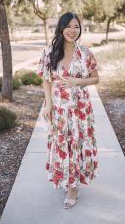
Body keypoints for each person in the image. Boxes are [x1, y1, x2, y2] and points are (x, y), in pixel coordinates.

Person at [36, 12, 99, 209]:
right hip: (60, 109)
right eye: (69, 26)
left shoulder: (86, 53)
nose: (73, 30)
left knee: (78, 144)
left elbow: (95, 78)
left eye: (76, 27)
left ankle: (73, 188)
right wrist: (48, 104)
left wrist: (77, 81)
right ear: (61, 28)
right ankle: (67, 178)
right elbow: (46, 79)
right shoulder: (49, 52)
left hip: (81, 110)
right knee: (63, 145)